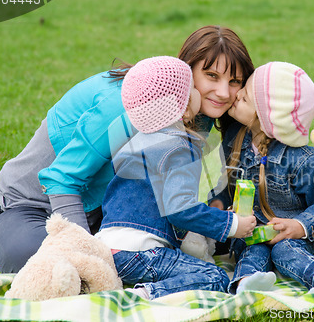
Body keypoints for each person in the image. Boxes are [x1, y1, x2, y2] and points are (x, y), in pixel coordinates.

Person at [0, 25, 254, 273]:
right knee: (42, 263)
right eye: (211, 76)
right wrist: (89, 254)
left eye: (234, 82)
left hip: (106, 215)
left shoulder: (197, 112)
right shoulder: (133, 102)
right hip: (32, 207)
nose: (223, 92)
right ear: (187, 67)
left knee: (215, 240)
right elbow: (61, 179)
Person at [95, 56, 256, 299]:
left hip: (107, 249)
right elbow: (180, 209)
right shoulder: (180, 147)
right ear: (182, 102)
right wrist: (232, 224)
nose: (197, 93)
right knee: (216, 277)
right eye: (192, 88)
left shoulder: (138, 139)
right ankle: (146, 295)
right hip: (141, 252)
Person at [209, 62, 314, 294]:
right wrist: (220, 210)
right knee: (252, 250)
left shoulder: (305, 161)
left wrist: (299, 226)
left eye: (244, 98)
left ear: (266, 119)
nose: (236, 95)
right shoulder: (234, 140)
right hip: (251, 232)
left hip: (293, 237)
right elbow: (225, 186)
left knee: (285, 251)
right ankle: (245, 284)